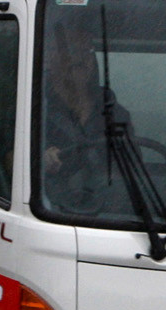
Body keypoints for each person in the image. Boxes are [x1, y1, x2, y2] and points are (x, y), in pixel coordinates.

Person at [39, 15, 114, 211]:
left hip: (113, 209)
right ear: (49, 57)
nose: (79, 58)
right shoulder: (34, 103)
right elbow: (7, 160)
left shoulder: (111, 109)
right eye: (70, 51)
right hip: (52, 207)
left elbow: (131, 165)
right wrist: (39, 160)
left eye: (86, 52)